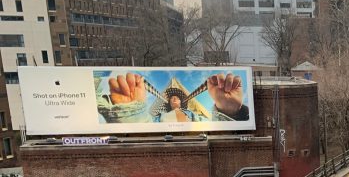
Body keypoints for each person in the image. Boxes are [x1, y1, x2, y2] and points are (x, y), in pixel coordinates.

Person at [103, 72, 250, 123]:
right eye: (171, 97)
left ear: (181, 101)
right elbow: (142, 125)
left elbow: (216, 128)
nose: (174, 98)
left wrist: (230, 112)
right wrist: (130, 111)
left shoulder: (194, 116)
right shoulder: (158, 117)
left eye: (177, 97)